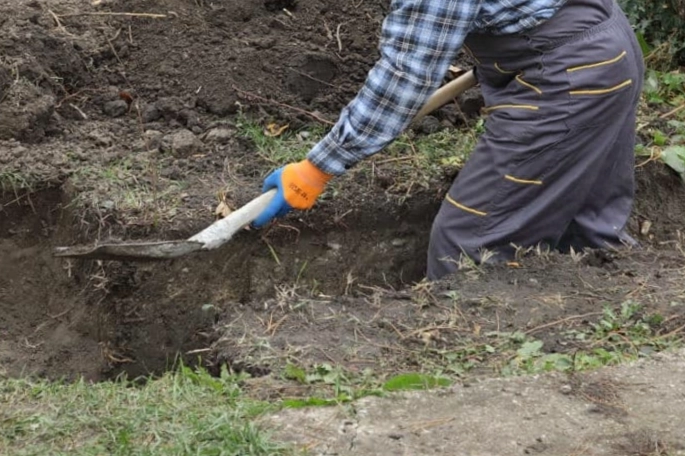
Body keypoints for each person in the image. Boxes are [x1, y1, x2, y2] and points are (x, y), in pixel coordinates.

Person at [251, 0, 645, 281]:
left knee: (470, 244)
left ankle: (488, 379)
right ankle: (598, 348)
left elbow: (404, 76)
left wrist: (318, 168)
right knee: (586, 235)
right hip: (604, 48)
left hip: (570, 77)